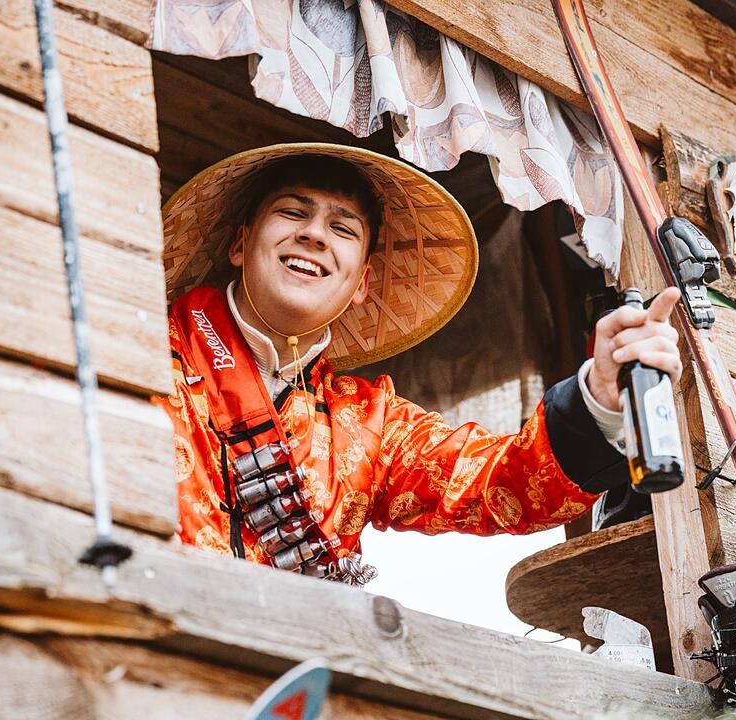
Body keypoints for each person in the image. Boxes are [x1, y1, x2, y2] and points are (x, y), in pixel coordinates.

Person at [157, 143, 682, 583]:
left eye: (343, 229)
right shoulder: (148, 346)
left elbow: (499, 484)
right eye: (293, 213)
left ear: (360, 283)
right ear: (239, 244)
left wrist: (602, 399)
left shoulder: (369, 422)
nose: (314, 233)